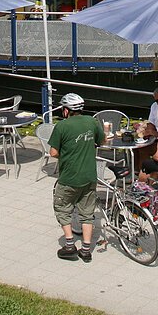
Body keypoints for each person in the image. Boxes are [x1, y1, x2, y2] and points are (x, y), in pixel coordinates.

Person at [48, 92, 105, 263]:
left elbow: (53, 152)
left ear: (66, 110)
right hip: (89, 176)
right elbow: (101, 141)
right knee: (87, 213)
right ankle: (86, 250)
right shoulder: (92, 122)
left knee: (63, 208)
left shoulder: (62, 126)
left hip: (69, 177)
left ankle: (70, 246)